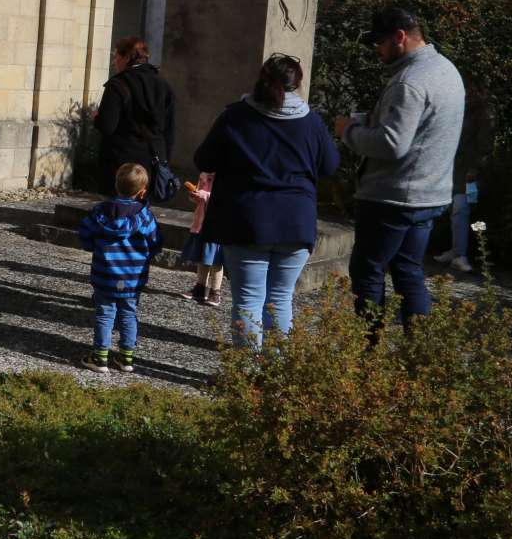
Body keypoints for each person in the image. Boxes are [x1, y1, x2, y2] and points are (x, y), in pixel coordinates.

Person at [195, 54, 340, 347]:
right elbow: (330, 166)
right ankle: (276, 376)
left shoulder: (235, 116)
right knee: (280, 298)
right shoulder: (311, 122)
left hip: (246, 219)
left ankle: (246, 377)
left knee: (248, 298)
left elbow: (204, 158)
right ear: (297, 84)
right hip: (296, 220)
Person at [337, 7, 465, 336]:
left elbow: (392, 144)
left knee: (367, 270)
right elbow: (421, 130)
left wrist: (347, 131)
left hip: (392, 197)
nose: (376, 50)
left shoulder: (408, 82)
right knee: (409, 271)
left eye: (379, 42)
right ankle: (417, 355)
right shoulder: (446, 70)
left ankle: (366, 354)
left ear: (400, 37)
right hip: (430, 193)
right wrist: (375, 119)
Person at [78, 162, 162, 374]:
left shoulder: (100, 212)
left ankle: (100, 356)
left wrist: (95, 248)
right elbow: (155, 243)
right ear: (142, 192)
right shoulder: (145, 217)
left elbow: (85, 237)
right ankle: (126, 357)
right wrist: (144, 257)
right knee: (128, 313)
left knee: (105, 314)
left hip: (105, 274)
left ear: (116, 185)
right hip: (133, 278)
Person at [95, 36, 176, 196]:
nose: (113, 62)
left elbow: (107, 126)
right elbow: (169, 129)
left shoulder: (117, 85)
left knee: (117, 210)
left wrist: (96, 117)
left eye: (116, 57)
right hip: (152, 161)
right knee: (141, 210)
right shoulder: (163, 85)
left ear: (126, 58)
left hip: (121, 164)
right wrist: (165, 160)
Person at [433, 83, 494, 275]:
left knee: (462, 209)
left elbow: (484, 146)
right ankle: (456, 250)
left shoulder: (484, 114)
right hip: (453, 167)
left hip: (468, 172)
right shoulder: (462, 108)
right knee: (454, 210)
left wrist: (474, 169)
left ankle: (461, 255)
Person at [179, 172, 223, 307]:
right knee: (201, 256)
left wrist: (203, 195)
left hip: (217, 224)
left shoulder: (226, 175)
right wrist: (195, 195)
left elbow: (223, 200)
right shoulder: (204, 174)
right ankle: (200, 286)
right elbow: (199, 198)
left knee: (216, 259)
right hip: (201, 221)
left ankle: (215, 291)